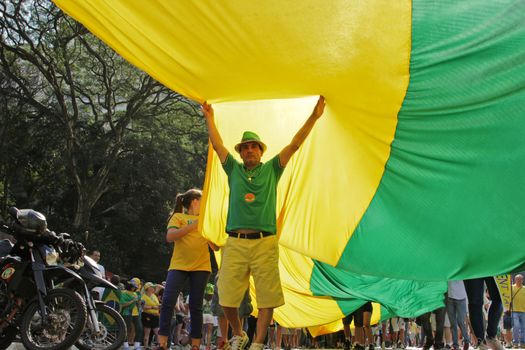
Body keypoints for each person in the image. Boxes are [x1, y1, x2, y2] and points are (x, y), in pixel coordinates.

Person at [201, 95, 325, 350]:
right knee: (225, 295)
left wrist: (314, 116)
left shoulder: (272, 169)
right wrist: (209, 118)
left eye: (254, 147)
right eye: (245, 147)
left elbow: (295, 144)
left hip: (264, 242)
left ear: (261, 151)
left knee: (267, 296)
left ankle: (257, 342)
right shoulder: (233, 169)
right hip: (234, 242)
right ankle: (239, 334)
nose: (249, 150)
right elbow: (217, 143)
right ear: (240, 151)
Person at [156, 189, 215, 350]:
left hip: (201, 267)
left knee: (196, 305)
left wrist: (210, 231)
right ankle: (162, 343)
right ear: (195, 201)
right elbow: (171, 236)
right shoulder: (178, 217)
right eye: (203, 201)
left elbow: (215, 246)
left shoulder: (207, 220)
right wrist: (195, 225)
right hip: (178, 266)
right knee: (167, 302)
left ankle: (195, 344)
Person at [464, 277, 504, 350]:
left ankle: (491, 336)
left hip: (493, 266)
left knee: (499, 298)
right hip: (472, 267)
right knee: (475, 302)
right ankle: (481, 341)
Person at [446, 280, 471, 350]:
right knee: (453, 324)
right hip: (449, 298)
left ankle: (466, 340)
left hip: (461, 298)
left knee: (461, 322)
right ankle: (455, 345)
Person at [142, 282, 161, 349]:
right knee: (147, 332)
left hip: (155, 316)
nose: (153, 288)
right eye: (152, 287)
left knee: (157, 332)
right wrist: (153, 307)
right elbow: (143, 307)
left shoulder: (154, 295)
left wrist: (159, 306)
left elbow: (157, 304)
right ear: (148, 288)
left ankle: (159, 346)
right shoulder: (143, 296)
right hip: (147, 315)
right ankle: (146, 346)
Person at [512, 274, 525, 348]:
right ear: (515, 280)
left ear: (522, 280)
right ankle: (515, 342)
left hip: (524, 311)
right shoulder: (511, 288)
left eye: (520, 279)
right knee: (516, 327)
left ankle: (523, 343)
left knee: (523, 328)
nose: (519, 281)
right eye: (517, 279)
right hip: (514, 311)